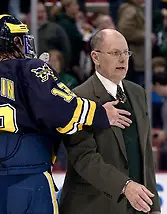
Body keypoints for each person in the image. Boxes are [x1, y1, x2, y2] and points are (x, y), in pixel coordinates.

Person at [0, 15, 132, 214]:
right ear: (16, 41)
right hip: (28, 180)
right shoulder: (30, 68)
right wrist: (100, 113)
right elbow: (59, 110)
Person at [60, 29, 161, 214]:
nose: (123, 59)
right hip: (93, 206)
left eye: (126, 53)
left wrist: (153, 206)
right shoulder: (79, 98)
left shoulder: (138, 93)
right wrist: (125, 186)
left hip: (134, 207)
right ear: (95, 57)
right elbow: (84, 158)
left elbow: (145, 152)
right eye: (115, 53)